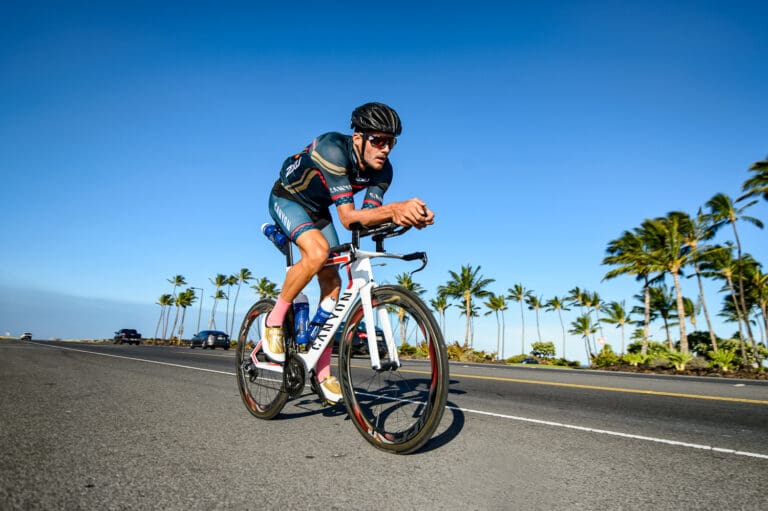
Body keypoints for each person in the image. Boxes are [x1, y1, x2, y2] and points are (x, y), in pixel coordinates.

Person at [255, 102, 435, 403]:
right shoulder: (333, 149)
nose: (386, 149)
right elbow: (349, 218)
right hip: (288, 199)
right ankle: (273, 321)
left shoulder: (383, 171)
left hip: (319, 209)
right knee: (317, 253)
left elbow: (366, 219)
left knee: (334, 281)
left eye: (391, 142)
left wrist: (404, 218)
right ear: (358, 139)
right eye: (378, 140)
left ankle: (321, 369)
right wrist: (395, 209)